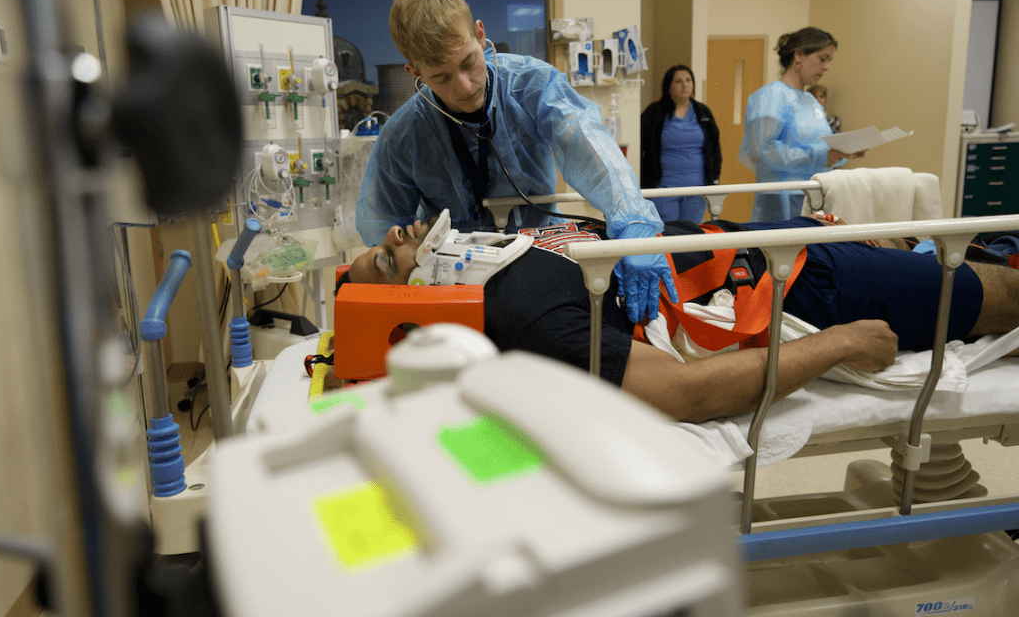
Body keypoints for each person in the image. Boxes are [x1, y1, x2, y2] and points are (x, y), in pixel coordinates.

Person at [340, 214, 1019, 424]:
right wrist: (840, 344)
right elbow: (689, 394)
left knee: (948, 247)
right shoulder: (524, 317)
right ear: (411, 308)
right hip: (804, 288)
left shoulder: (493, 246)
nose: (398, 234)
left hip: (759, 239)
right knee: (1002, 292)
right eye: (387, 260)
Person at [354, 0, 675, 323]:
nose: (464, 86)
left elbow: (592, 149)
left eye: (468, 62)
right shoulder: (403, 136)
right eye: (441, 77)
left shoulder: (532, 85)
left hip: (543, 261)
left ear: (480, 35)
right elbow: (383, 232)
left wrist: (632, 225)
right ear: (415, 73)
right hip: (453, 283)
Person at [739, 28, 864, 221]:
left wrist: (843, 153)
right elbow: (762, 150)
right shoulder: (772, 96)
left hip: (815, 195)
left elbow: (822, 148)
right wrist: (821, 157)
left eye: (830, 60)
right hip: (782, 199)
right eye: (822, 59)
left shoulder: (810, 101)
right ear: (798, 56)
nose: (827, 67)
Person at [640, 65, 721, 223]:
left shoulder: (703, 112)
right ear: (668, 86)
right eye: (678, 81)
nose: (685, 84)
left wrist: (715, 178)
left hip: (697, 189)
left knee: (692, 234)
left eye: (688, 80)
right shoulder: (654, 112)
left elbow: (715, 148)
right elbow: (640, 145)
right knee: (667, 234)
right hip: (663, 188)